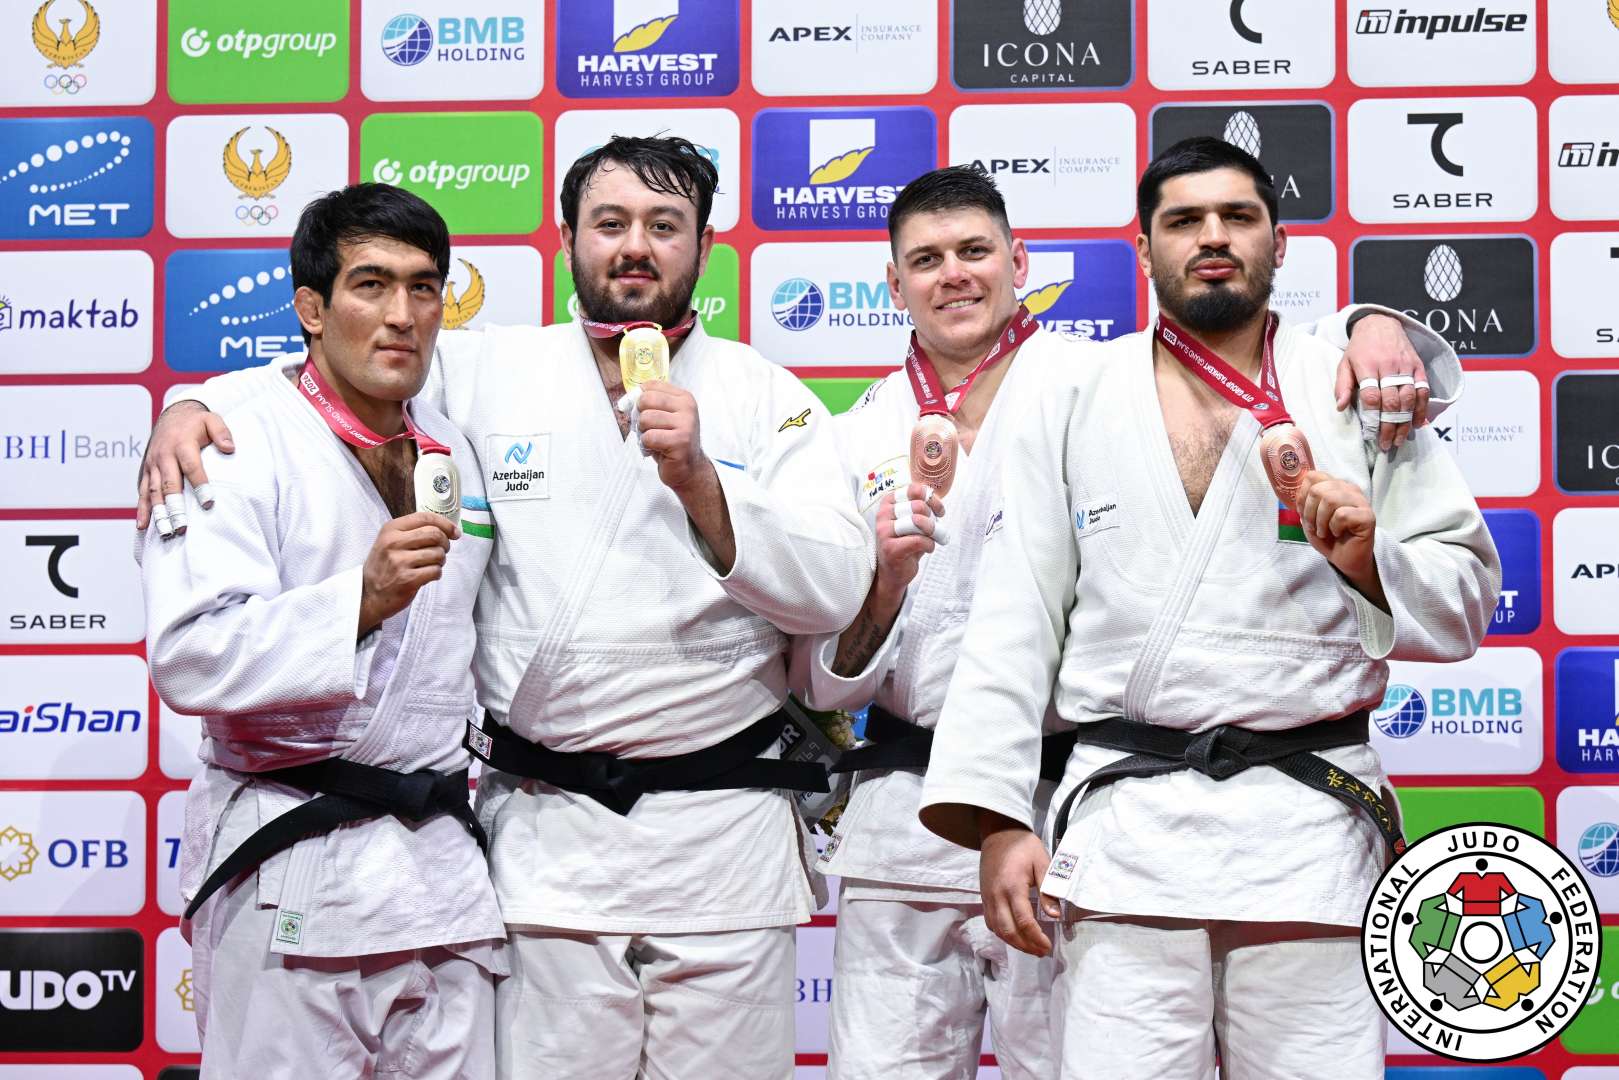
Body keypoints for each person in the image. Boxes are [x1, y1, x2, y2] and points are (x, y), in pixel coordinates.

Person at [138, 136, 872, 1080]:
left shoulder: (769, 400)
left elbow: (837, 589)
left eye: (664, 225)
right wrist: (190, 404)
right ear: (570, 239)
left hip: (721, 836)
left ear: (705, 244)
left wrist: (703, 484)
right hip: (546, 841)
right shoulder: (481, 372)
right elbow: (329, 382)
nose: (635, 246)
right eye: (609, 224)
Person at [790, 163, 1467, 1080]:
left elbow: (1462, 603)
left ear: (1281, 239)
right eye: (1185, 220)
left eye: (1238, 216)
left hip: (1306, 833)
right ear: (1144, 247)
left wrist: (1367, 554)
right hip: (1124, 833)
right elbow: (1017, 614)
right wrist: (993, 814)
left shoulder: (1351, 386)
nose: (1214, 236)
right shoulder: (1069, 395)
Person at [138, 184, 507, 1078]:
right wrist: (360, 601)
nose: (401, 315)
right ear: (309, 307)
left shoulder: (455, 444)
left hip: (440, 877)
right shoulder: (228, 436)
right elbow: (190, 657)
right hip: (293, 859)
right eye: (370, 285)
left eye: (424, 288)